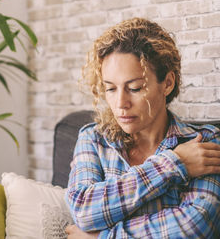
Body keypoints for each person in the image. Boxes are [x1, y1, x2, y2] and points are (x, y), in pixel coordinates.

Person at [65, 18, 220, 238]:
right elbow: (83, 211)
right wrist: (174, 164)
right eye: (110, 89)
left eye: (135, 88)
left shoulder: (204, 142)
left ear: (167, 83)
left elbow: (195, 226)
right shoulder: (94, 139)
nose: (120, 103)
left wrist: (103, 236)